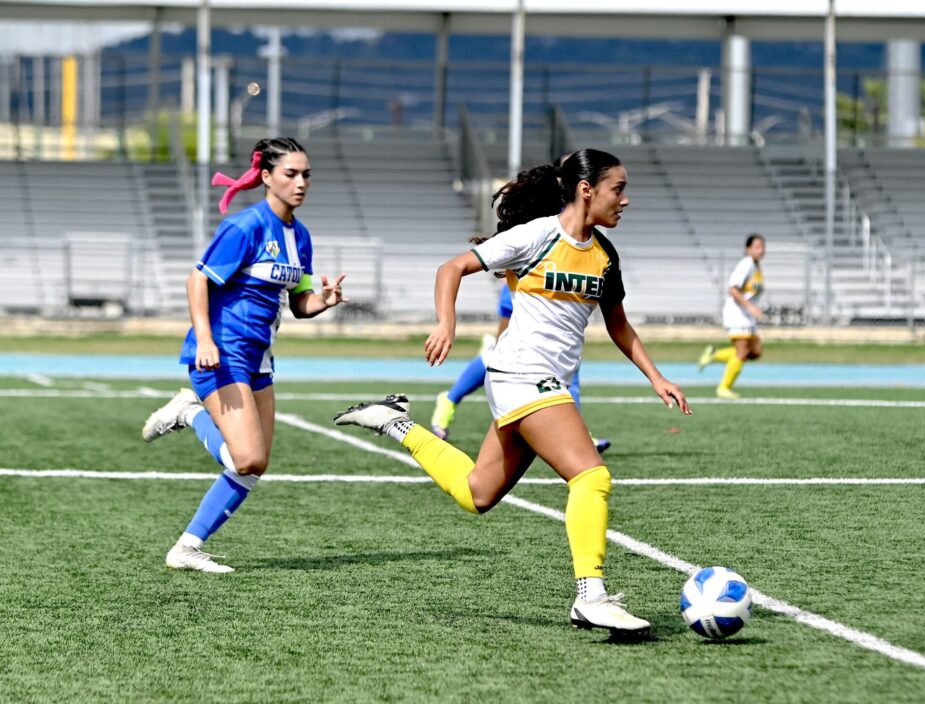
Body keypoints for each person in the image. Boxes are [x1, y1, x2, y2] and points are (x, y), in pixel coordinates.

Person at [334, 149, 691, 635]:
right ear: (587, 190)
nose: (626, 199)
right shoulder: (537, 236)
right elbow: (451, 268)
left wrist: (656, 376)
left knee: (476, 493)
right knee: (591, 478)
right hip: (522, 374)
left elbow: (619, 325)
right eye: (618, 189)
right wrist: (447, 323)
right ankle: (592, 596)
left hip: (537, 382)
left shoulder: (605, 256)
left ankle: (393, 422)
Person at [141, 137, 347, 573]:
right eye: (291, 173)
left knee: (253, 467)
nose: (301, 182)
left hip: (260, 360)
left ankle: (187, 548)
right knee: (247, 457)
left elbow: (299, 304)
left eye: (306, 174)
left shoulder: (301, 236)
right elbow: (197, 280)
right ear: (267, 177)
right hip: (221, 355)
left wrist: (323, 301)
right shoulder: (244, 227)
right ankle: (188, 413)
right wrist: (205, 340)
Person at [430, 282, 611, 453]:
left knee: (568, 361)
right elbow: (456, 266)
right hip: (526, 283)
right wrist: (446, 323)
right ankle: (450, 400)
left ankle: (576, 435)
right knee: (502, 352)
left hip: (556, 284)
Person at [698, 233, 766, 399]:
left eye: (763, 247)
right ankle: (724, 387)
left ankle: (714, 355)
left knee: (755, 351)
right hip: (738, 313)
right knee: (742, 351)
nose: (761, 250)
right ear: (748, 248)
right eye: (757, 246)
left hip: (747, 315)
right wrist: (751, 307)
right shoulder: (746, 265)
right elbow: (733, 289)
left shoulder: (756, 266)